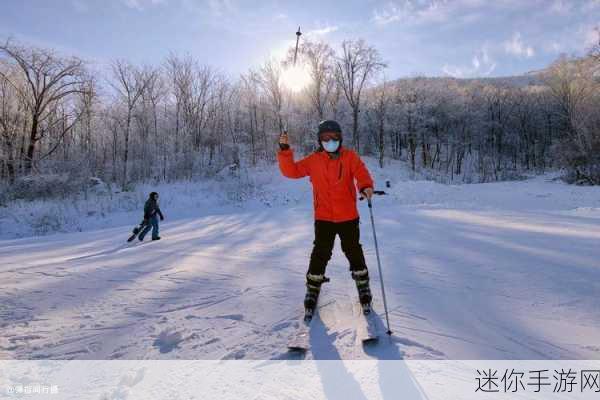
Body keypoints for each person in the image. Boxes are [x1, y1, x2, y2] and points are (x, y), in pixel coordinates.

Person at [278, 120, 375, 317]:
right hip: (324, 217)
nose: (330, 141)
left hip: (348, 216)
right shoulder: (314, 160)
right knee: (320, 252)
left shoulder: (350, 157)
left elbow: (361, 173)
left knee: (353, 250)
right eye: (325, 138)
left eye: (334, 138)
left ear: (340, 138)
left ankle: (363, 285)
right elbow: (291, 171)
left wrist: (365, 187)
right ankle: (313, 288)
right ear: (319, 140)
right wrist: (285, 150)